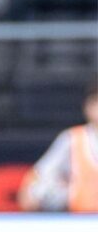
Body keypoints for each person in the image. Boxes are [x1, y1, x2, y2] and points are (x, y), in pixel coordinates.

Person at [18, 84, 98, 212]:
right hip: (82, 222)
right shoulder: (74, 139)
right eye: (95, 102)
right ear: (87, 107)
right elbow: (35, 185)